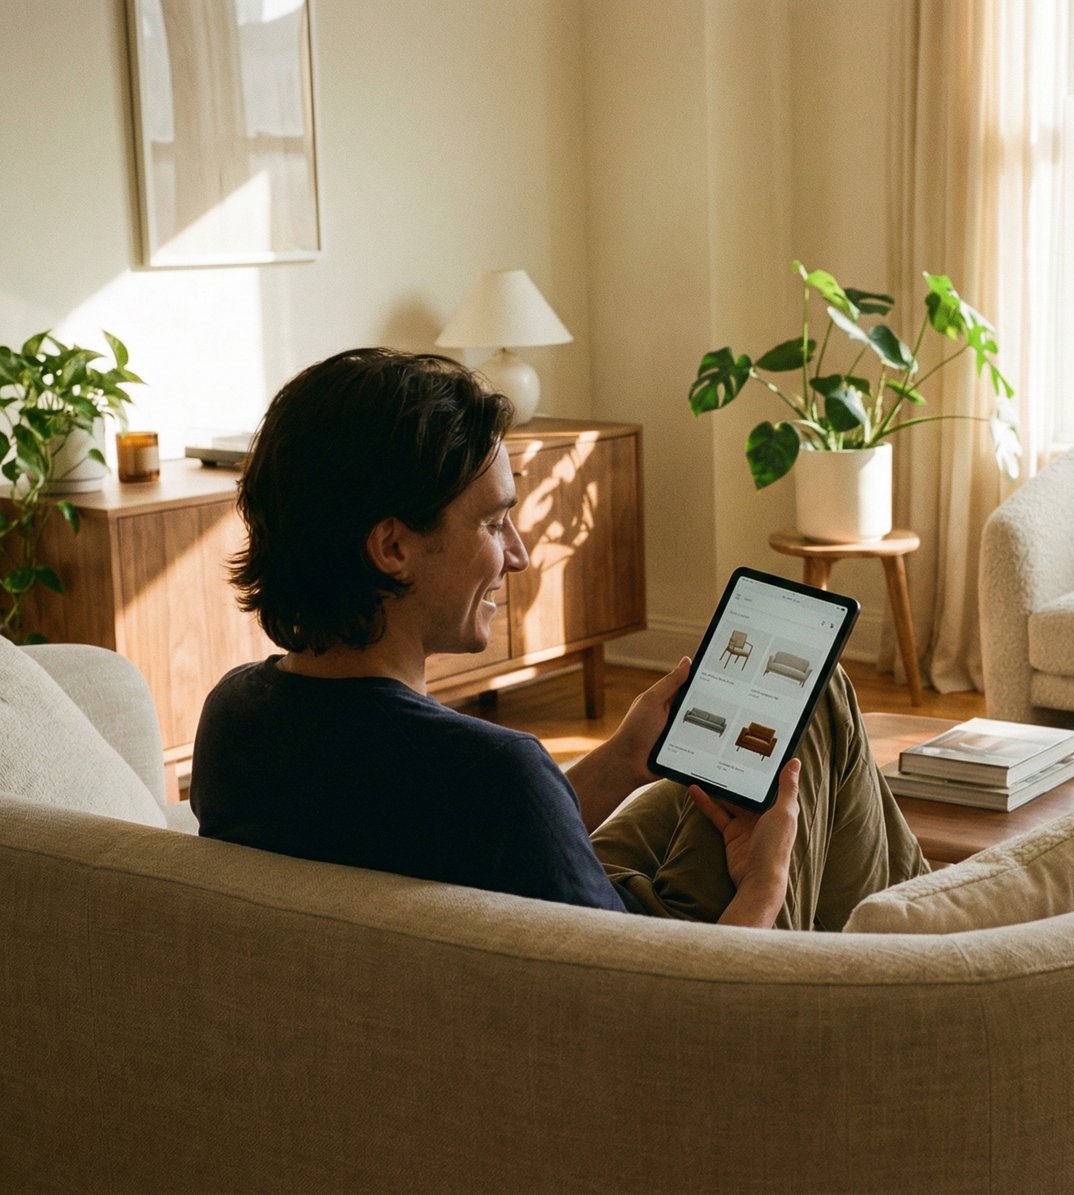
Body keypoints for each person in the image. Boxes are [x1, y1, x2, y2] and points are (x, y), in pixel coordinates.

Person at [189, 348, 927, 930]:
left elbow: (468, 840)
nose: (517, 552)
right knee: (816, 696)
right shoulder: (495, 772)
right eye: (491, 522)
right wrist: (765, 887)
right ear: (393, 548)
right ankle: (938, 963)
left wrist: (617, 762)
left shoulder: (233, 722)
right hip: (682, 967)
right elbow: (658, 1023)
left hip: (544, 926)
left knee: (696, 779)